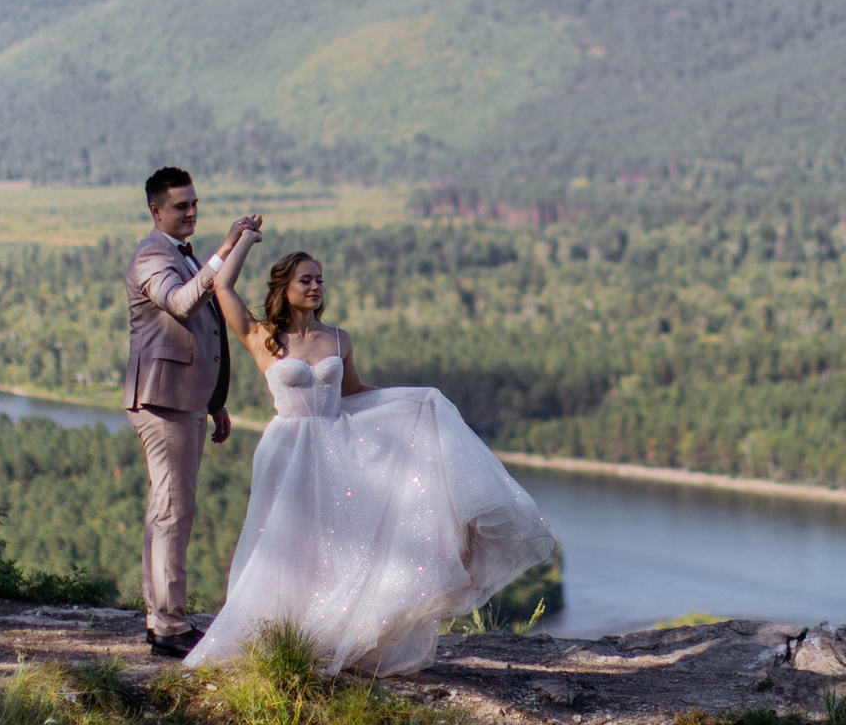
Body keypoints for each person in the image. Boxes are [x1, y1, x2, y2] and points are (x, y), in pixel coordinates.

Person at [184, 243, 556, 675]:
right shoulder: (262, 336)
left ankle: (327, 636)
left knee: (334, 545)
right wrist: (243, 239)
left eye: (320, 280)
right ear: (283, 288)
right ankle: (276, 635)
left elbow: (353, 393)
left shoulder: (338, 338)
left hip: (335, 446)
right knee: (284, 543)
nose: (316, 287)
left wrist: (414, 401)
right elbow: (222, 285)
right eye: (306, 280)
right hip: (286, 450)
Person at [123, 166, 263, 658]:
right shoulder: (150, 257)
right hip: (162, 401)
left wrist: (215, 401)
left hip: (186, 400)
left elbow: (206, 325)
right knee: (171, 511)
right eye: (181, 206)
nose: (191, 212)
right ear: (155, 211)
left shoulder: (181, 254)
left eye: (194, 203)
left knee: (171, 509)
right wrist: (226, 247)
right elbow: (182, 304)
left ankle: (164, 619)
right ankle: (168, 626)